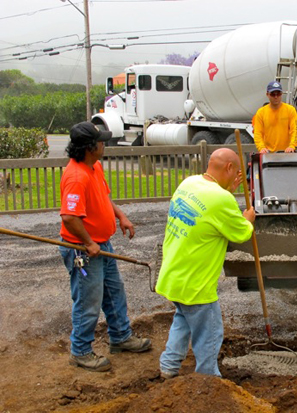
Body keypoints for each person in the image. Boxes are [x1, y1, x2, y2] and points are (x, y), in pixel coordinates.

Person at [59, 122, 151, 373]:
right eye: (101, 141)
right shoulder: (76, 177)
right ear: (90, 147)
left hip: (101, 244)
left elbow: (104, 196)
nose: (104, 144)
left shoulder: (94, 167)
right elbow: (69, 217)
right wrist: (88, 243)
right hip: (83, 250)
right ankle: (80, 352)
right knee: (88, 302)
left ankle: (120, 336)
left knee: (114, 292)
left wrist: (120, 216)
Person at [156, 148, 255, 378]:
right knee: (210, 334)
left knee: (182, 321)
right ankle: (208, 382)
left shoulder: (188, 183)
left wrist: (228, 192)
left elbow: (210, 211)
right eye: (237, 172)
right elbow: (240, 234)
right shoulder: (222, 199)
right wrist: (248, 219)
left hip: (175, 276)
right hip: (196, 284)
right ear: (230, 168)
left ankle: (168, 368)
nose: (236, 177)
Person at [253, 81, 297, 153]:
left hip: (287, 153)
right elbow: (258, 133)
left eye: (278, 94)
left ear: (281, 94)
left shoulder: (290, 110)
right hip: (268, 154)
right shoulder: (261, 113)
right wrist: (261, 148)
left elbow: (295, 131)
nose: (276, 97)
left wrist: (292, 146)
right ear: (267, 94)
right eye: (273, 94)